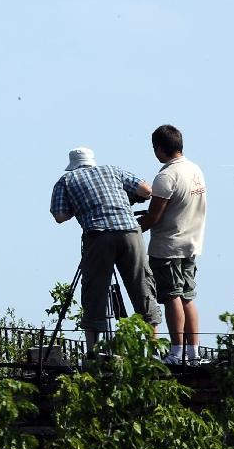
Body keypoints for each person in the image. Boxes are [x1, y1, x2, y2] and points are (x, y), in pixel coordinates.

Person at [50, 147, 161, 348]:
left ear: (72, 165)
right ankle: (154, 348)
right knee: (142, 286)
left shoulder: (66, 180)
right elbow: (146, 191)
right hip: (130, 232)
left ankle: (94, 353)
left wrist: (83, 206)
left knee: (95, 293)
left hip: (98, 236)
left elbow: (60, 216)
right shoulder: (112, 170)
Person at [139, 125, 206, 364]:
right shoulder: (195, 170)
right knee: (188, 296)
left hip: (168, 245)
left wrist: (136, 228)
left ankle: (176, 352)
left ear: (160, 148)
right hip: (191, 242)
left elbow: (154, 216)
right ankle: (193, 352)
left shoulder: (166, 176)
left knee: (171, 296)